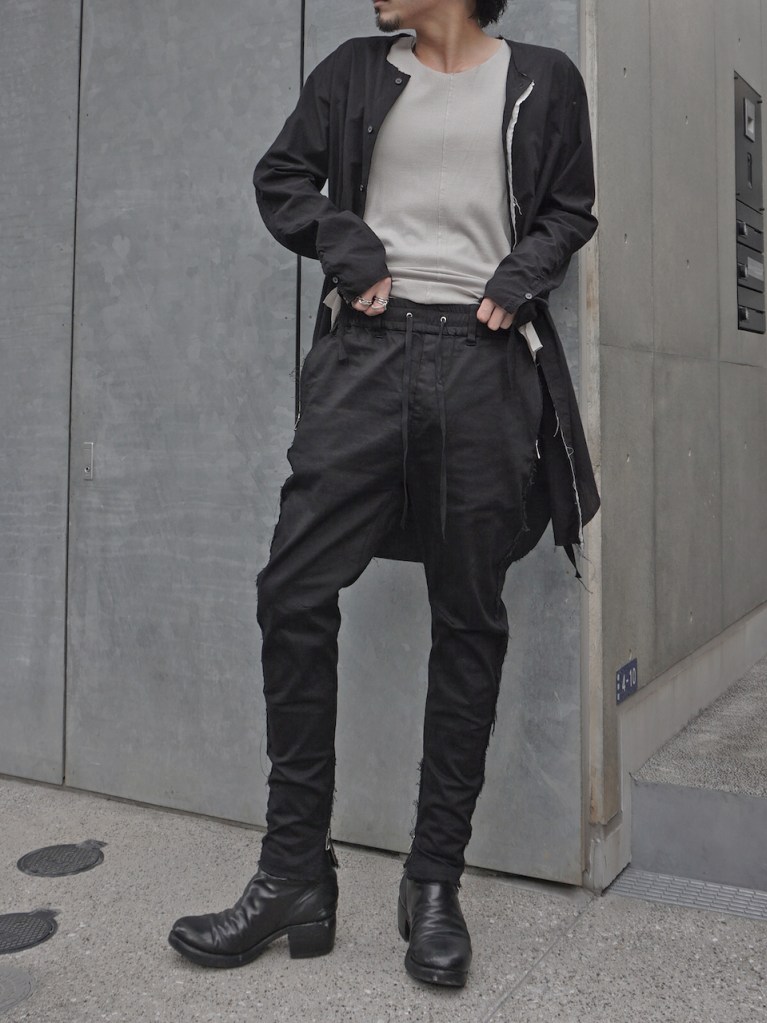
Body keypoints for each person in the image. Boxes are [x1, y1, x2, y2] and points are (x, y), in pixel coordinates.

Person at [168, 0, 599, 988]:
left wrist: (519, 277)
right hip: (365, 354)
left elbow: (570, 209)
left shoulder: (542, 78)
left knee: (469, 615)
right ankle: (292, 872)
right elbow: (281, 178)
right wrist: (348, 246)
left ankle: (434, 881)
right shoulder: (354, 70)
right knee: (292, 590)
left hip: (484, 360)